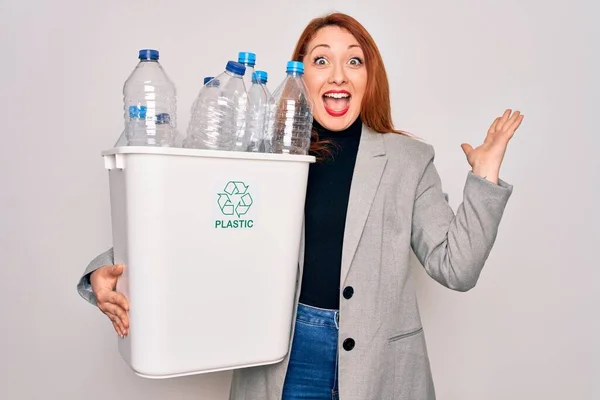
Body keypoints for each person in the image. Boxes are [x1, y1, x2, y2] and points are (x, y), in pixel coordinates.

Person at [77, 12, 524, 400]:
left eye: (354, 60)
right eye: (320, 60)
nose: (337, 75)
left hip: (379, 367)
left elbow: (457, 268)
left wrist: (484, 177)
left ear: (370, 79)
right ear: (300, 76)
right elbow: (182, 221)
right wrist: (107, 268)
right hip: (284, 355)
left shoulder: (410, 160)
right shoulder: (260, 153)